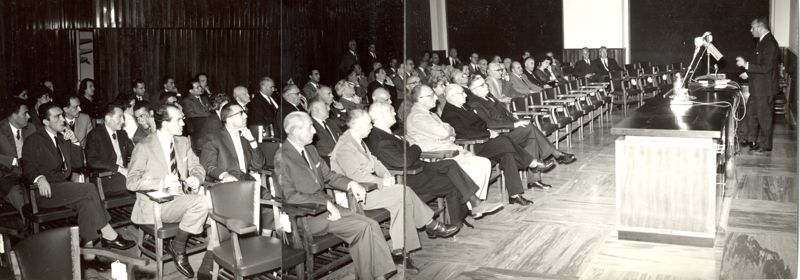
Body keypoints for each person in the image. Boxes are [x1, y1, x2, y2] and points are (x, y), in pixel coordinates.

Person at [329, 109, 460, 272]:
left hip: (370, 189)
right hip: (357, 196)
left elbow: (375, 162)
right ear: (357, 125)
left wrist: (386, 175)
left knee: (401, 201)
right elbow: (356, 176)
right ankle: (429, 224)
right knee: (402, 192)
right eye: (369, 123)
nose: (371, 126)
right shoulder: (345, 146)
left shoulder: (357, 140)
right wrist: (382, 182)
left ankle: (400, 253)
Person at [273, 111, 396, 280]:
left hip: (329, 209)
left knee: (371, 224)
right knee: (362, 227)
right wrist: (324, 204)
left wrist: (351, 183)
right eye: (310, 127)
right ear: (295, 131)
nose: (315, 131)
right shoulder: (282, 157)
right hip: (308, 216)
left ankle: (377, 275)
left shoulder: (309, 149)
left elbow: (329, 176)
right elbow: (289, 197)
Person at [22, 102, 136, 264]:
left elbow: (76, 165)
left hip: (63, 190)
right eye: (57, 116)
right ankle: (109, 233)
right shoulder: (34, 140)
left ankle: (89, 255)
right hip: (44, 192)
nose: (63, 119)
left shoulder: (62, 138)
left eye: (62, 115)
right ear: (46, 122)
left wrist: (75, 142)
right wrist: (39, 178)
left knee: (86, 203)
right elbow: (27, 166)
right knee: (89, 189)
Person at [367, 102, 502, 222]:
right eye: (391, 110)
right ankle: (461, 219)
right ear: (382, 115)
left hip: (417, 169)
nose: (395, 112)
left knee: (451, 164)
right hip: (407, 177)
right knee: (452, 182)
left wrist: (412, 146)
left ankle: (475, 204)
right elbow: (404, 161)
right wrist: (416, 147)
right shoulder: (380, 138)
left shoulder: (384, 133)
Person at [126, 104, 209, 278]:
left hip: (182, 198)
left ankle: (208, 262)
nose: (183, 123)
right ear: (165, 123)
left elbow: (197, 166)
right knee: (202, 203)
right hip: (156, 204)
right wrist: (160, 182)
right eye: (179, 119)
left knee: (215, 205)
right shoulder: (144, 146)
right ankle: (179, 247)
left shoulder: (183, 141)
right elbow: (131, 182)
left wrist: (196, 177)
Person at [440, 84, 553, 205]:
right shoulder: (450, 113)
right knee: (505, 141)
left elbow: (481, 123)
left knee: (507, 154)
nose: (465, 95)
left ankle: (515, 194)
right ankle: (532, 163)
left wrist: (489, 131)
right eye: (462, 93)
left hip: (485, 141)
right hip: (473, 146)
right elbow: (464, 133)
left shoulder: (464, 106)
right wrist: (488, 134)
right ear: (452, 96)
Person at [468, 76, 576, 189]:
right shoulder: (475, 104)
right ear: (474, 90)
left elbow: (506, 114)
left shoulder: (489, 96)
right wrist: (514, 125)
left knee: (531, 138)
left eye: (485, 83)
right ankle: (555, 153)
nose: (486, 86)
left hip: (509, 130)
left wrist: (517, 121)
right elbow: (489, 124)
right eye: (482, 85)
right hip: (499, 135)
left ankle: (534, 180)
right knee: (529, 128)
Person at [404, 85, 496, 213]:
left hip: (449, 150)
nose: (436, 98)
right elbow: (444, 132)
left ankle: (475, 206)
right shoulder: (417, 116)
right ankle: (473, 205)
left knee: (484, 163)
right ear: (420, 98)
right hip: (438, 156)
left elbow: (450, 131)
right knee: (473, 168)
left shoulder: (429, 114)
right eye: (431, 95)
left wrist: (447, 132)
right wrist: (447, 132)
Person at [737, 17, 780, 152]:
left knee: (764, 118)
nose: (751, 30)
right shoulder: (763, 41)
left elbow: (766, 67)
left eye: (752, 27)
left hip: (765, 89)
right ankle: (750, 139)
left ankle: (766, 145)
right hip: (758, 87)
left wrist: (746, 65)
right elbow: (761, 64)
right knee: (751, 113)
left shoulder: (770, 43)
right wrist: (748, 73)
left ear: (760, 27)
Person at [200, 103, 265, 182]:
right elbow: (208, 165)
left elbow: (258, 165)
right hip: (227, 185)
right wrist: (224, 175)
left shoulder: (245, 137)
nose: (246, 116)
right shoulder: (214, 138)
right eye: (241, 113)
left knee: (268, 194)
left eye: (244, 112)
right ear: (229, 119)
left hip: (246, 182)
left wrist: (252, 141)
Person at [85, 103, 135, 196]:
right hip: (105, 178)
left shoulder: (122, 134)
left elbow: (134, 152)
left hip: (123, 176)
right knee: (138, 183)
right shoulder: (95, 135)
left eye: (123, 117)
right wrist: (118, 168)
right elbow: (92, 161)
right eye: (119, 117)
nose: (123, 121)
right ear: (108, 118)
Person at [0, 99, 35, 218]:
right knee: (21, 199)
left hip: (29, 174)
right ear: (14, 115)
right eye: (25, 113)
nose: (29, 116)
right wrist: (13, 161)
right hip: (7, 176)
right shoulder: (0, 129)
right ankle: (30, 230)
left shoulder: (31, 128)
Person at [308, 100, 341, 164]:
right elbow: (308, 148)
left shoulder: (330, 122)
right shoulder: (310, 126)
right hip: (326, 160)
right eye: (325, 107)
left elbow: (342, 137)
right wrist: (325, 154)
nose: (329, 109)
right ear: (316, 111)